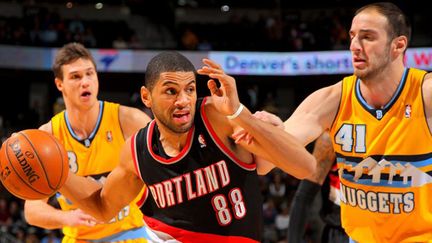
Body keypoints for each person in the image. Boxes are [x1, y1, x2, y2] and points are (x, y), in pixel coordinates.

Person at [48, 51, 318, 243]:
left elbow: (305, 166)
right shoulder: (136, 151)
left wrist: (240, 113)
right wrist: (56, 174)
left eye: (190, 89)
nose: (183, 100)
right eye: (170, 91)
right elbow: (103, 206)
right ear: (147, 97)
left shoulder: (217, 116)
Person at [234, 2, 432, 242]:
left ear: (398, 45)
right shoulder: (332, 99)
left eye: (367, 37)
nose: (354, 47)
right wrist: (266, 130)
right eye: (352, 36)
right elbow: (265, 163)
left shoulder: (424, 93)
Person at [23, 42, 152, 243]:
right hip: (79, 238)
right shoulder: (48, 137)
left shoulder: (129, 121)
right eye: (75, 76)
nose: (85, 82)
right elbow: (32, 210)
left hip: (132, 233)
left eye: (90, 74)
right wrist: (66, 217)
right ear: (60, 84)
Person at [288, 131, 348, 243]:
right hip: (339, 232)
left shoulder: (387, 134)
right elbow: (304, 195)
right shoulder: (333, 138)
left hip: (380, 229)